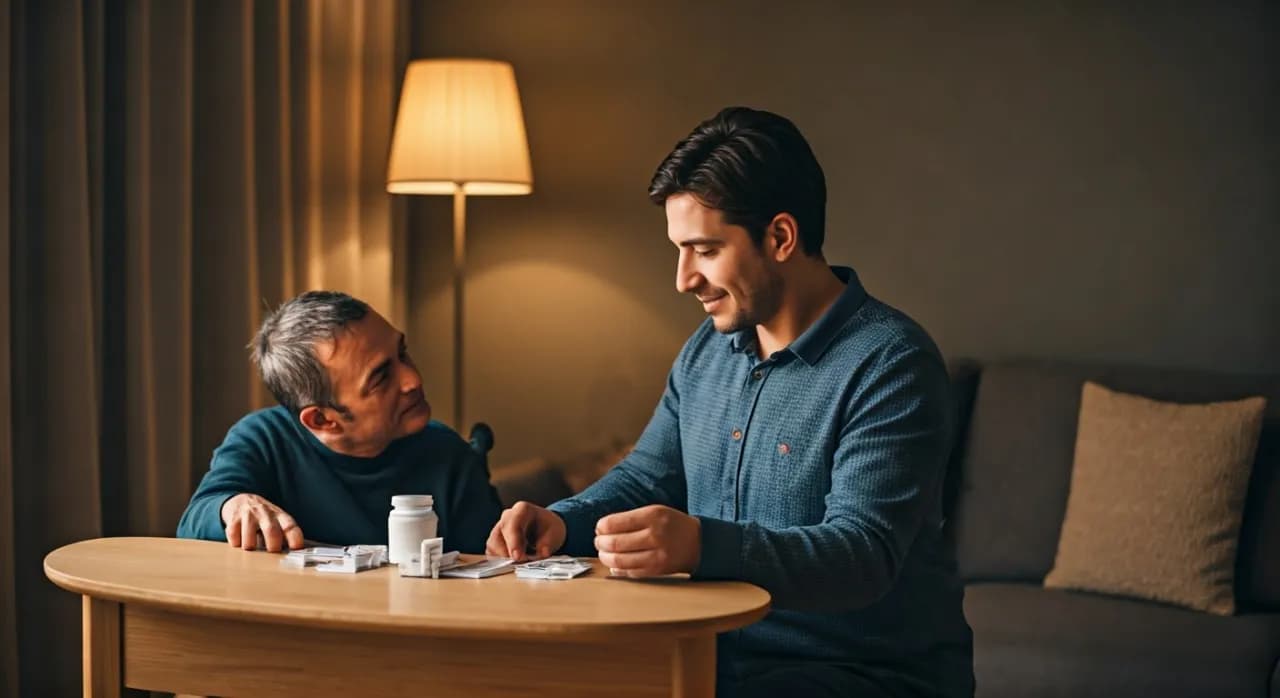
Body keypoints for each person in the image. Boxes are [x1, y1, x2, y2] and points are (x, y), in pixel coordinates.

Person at [487, 107, 974, 697]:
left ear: (781, 237)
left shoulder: (891, 363)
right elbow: (648, 478)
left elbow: (862, 554)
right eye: (679, 250)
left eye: (704, 250)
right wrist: (561, 521)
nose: (683, 278)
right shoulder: (708, 350)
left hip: (859, 674)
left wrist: (700, 544)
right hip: (709, 657)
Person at [177, 291, 502, 554]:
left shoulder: (448, 455)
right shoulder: (263, 439)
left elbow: (494, 576)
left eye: (402, 353)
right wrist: (232, 505)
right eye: (380, 378)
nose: (413, 380)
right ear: (322, 419)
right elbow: (194, 520)